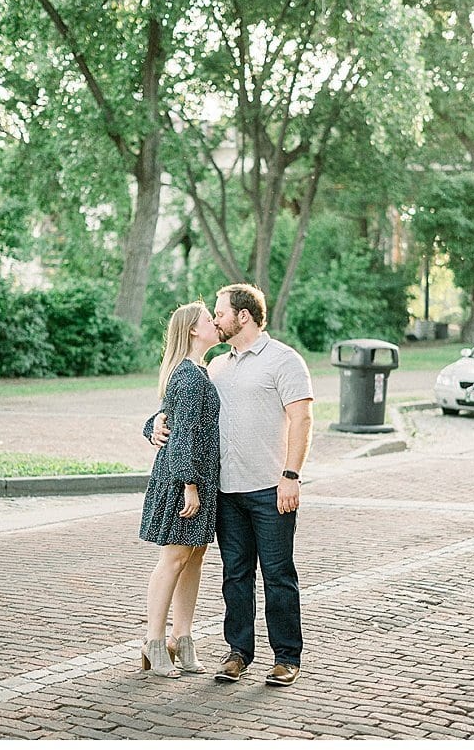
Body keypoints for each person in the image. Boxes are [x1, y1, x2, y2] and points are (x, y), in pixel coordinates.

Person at [147, 283, 314, 688]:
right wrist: (153, 422)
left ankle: (286, 658)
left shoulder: (284, 361)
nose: (216, 319)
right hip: (225, 491)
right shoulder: (216, 366)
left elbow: (302, 420)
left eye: (220, 312)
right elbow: (185, 412)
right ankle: (239, 653)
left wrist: (291, 476)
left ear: (243, 316)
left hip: (270, 489)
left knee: (277, 575)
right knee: (234, 576)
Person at [139, 301, 222, 678]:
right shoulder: (189, 376)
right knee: (173, 559)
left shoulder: (198, 371)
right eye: (209, 319)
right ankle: (154, 642)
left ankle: (183, 638)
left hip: (200, 478)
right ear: (192, 330)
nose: (215, 323)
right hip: (184, 480)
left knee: (195, 557)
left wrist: (152, 423)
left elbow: (168, 417)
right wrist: (190, 485)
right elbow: (184, 435)